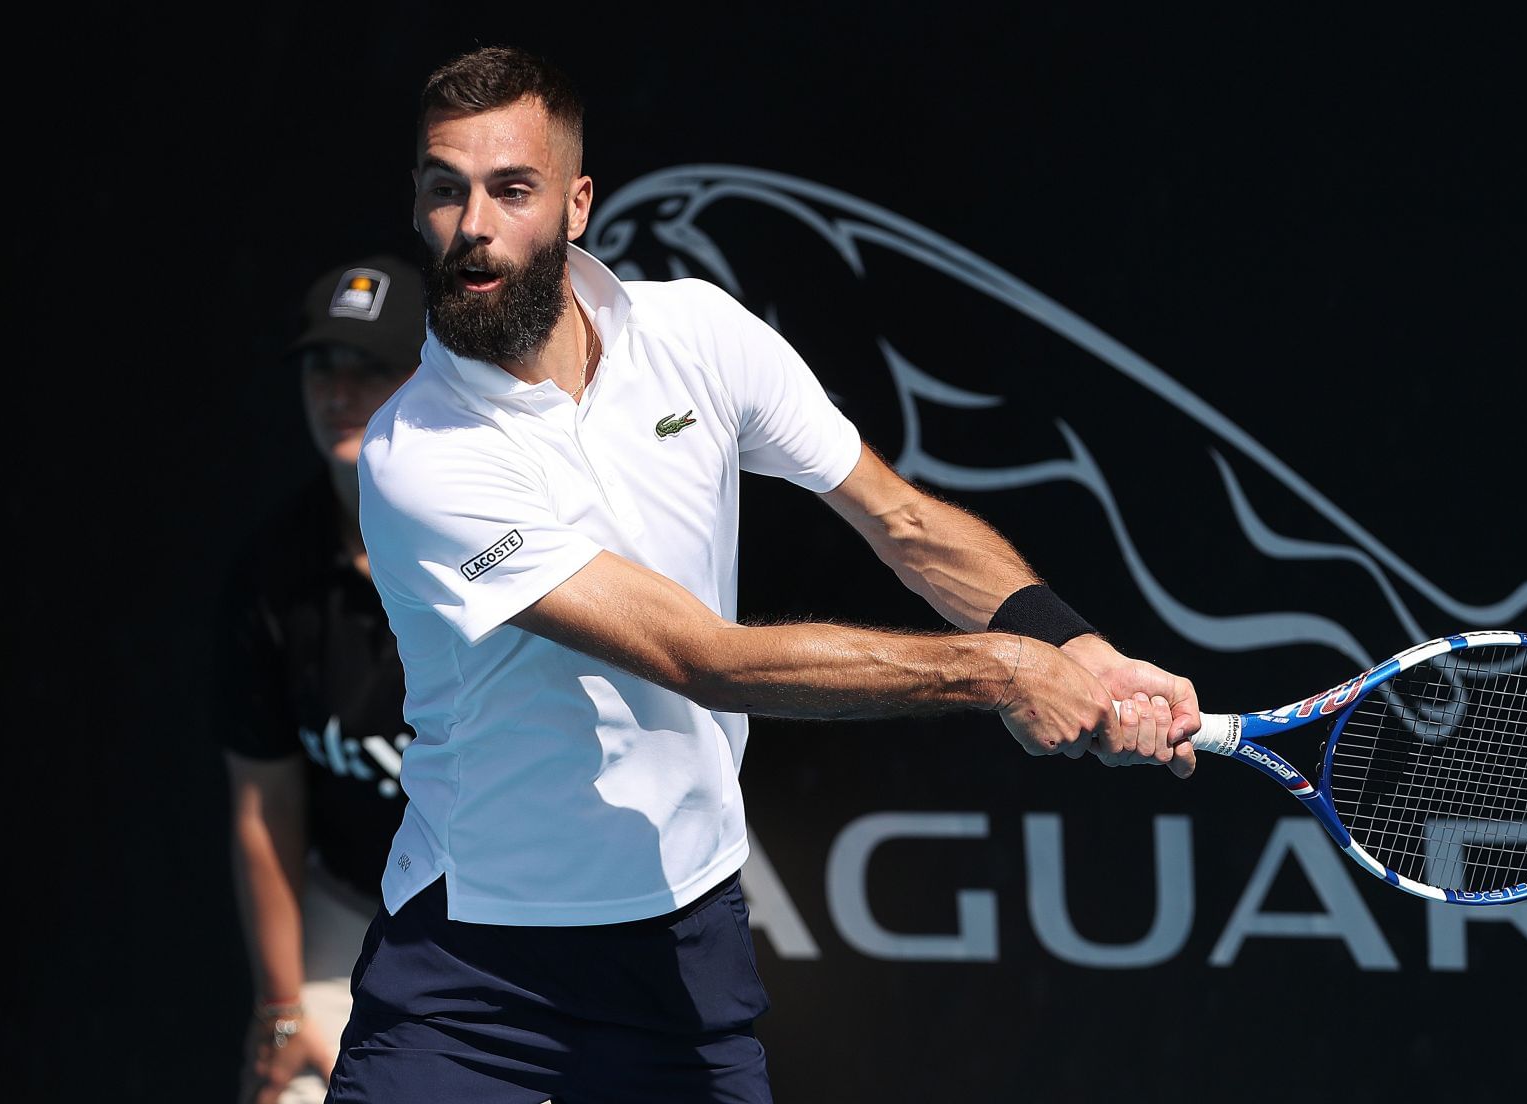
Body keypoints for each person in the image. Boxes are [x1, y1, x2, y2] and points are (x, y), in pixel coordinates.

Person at [330, 46, 1201, 1103]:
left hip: (682, 957)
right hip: (471, 984)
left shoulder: (700, 335)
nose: (473, 227)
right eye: (443, 189)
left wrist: (1077, 648)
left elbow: (908, 526)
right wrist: (1005, 673)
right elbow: (701, 659)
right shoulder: (420, 453)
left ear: (576, 206)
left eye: (512, 189)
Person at [216, 256, 423, 1104]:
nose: (339, 390)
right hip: (353, 911)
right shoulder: (273, 575)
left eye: (368, 366)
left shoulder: (506, 542)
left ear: (429, 375)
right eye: (321, 366)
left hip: (513, 911)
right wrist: (281, 1007)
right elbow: (266, 807)